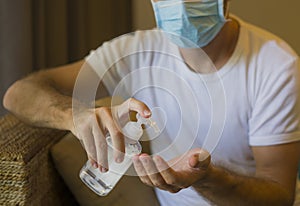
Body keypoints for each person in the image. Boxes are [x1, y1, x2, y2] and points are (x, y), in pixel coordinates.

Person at [3, 0, 300, 205]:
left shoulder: (276, 66)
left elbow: (278, 196)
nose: (182, 4)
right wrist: (74, 116)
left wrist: (207, 179)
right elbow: (19, 94)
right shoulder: (138, 50)